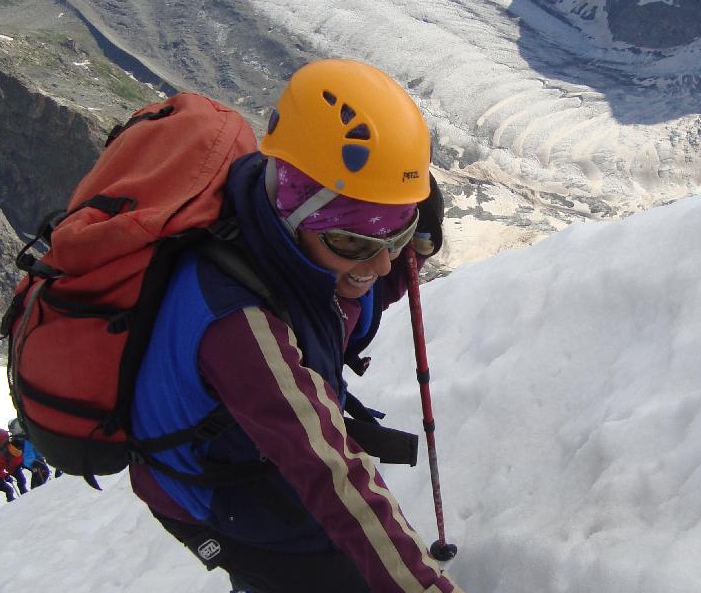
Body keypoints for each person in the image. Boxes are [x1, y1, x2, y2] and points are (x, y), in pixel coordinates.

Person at [127, 59, 461, 593]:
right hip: (223, 497)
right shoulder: (240, 324)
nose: (382, 266)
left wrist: (403, 250)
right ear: (294, 213)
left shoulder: (284, 232)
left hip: (256, 452)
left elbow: (342, 306)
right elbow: (331, 475)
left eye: (397, 238)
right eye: (354, 243)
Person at [0, 427, 27, 494]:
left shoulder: (5, 453)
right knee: (22, 480)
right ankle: (25, 493)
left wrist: (6, 476)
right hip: (15, 466)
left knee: (22, 480)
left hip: (15, 466)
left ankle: (25, 493)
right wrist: (6, 476)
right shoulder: (5, 454)